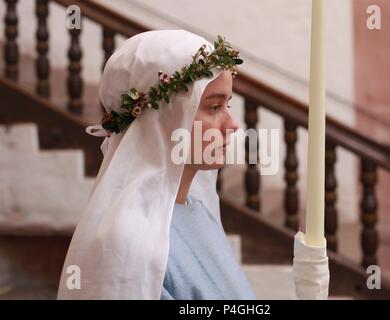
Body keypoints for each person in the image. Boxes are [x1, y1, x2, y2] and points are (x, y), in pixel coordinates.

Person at [57, 30, 329, 300]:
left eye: (228, 104)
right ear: (163, 118)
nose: (232, 125)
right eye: (213, 107)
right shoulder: (127, 244)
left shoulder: (199, 213)